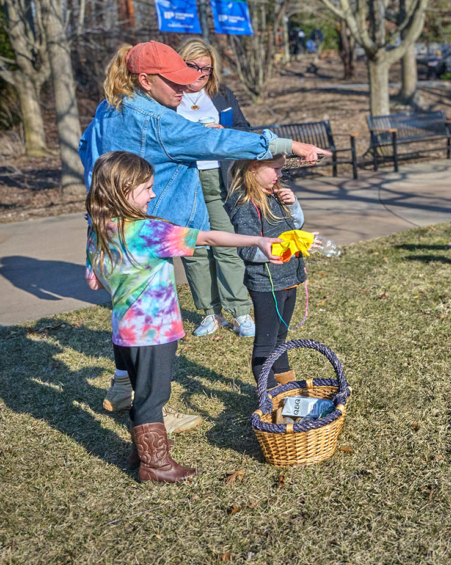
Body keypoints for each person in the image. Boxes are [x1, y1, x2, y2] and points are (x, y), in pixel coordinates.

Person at [80, 41, 330, 414]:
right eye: (175, 84)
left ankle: (122, 384)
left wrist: (94, 241)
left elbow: (91, 165)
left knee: (125, 310)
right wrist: (286, 144)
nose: (184, 90)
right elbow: (218, 141)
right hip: (150, 232)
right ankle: (151, 415)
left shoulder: (108, 108)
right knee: (155, 329)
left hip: (113, 230)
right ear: (146, 81)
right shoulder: (157, 120)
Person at [85, 151, 280, 482]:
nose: (153, 194)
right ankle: (156, 465)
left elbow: (93, 281)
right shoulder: (148, 231)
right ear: (123, 189)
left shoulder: (99, 229)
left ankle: (139, 453)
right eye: (147, 188)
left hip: (124, 331)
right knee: (153, 396)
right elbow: (208, 237)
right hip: (154, 332)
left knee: (141, 390)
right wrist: (258, 240)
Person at [176, 39, 257, 338]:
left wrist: (226, 133)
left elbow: (245, 130)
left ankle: (240, 312)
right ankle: (210, 313)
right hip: (185, 181)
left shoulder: (222, 96)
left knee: (227, 243)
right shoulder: (170, 97)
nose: (200, 73)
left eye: (206, 68)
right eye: (193, 66)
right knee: (194, 247)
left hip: (218, 179)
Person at [225, 156, 309, 386]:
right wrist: (282, 251)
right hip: (267, 284)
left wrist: (293, 204)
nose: (280, 175)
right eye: (276, 169)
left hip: (289, 278)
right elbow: (247, 249)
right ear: (253, 167)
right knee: (266, 343)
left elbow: (296, 225)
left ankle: (286, 385)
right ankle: (269, 395)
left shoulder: (276, 193)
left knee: (281, 336)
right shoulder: (243, 204)